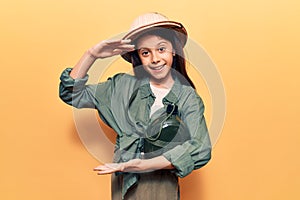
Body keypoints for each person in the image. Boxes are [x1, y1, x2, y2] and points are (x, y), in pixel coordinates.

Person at [59, 12, 211, 200]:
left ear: (174, 50)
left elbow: (201, 148)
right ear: (138, 57)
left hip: (160, 185)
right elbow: (71, 94)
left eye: (161, 49)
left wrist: (144, 165)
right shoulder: (121, 87)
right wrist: (91, 55)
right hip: (124, 183)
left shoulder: (187, 97)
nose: (155, 59)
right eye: (145, 52)